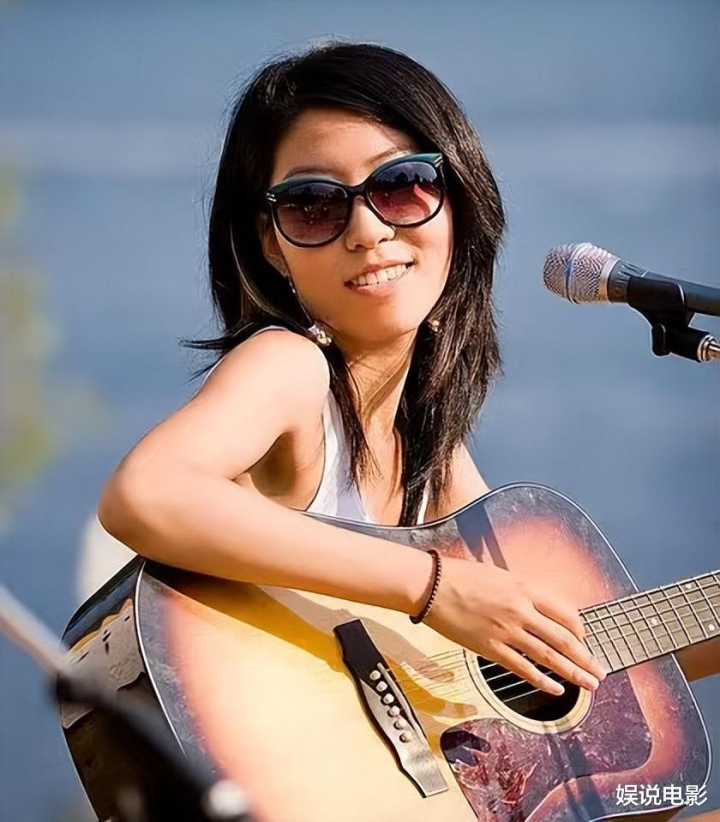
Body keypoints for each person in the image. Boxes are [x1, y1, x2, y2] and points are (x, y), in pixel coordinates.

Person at [98, 40, 607, 698]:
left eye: (400, 185)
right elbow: (145, 494)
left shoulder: (430, 443)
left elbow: (557, 644)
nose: (366, 230)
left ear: (458, 199)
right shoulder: (289, 367)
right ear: (271, 245)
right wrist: (430, 585)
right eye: (313, 203)